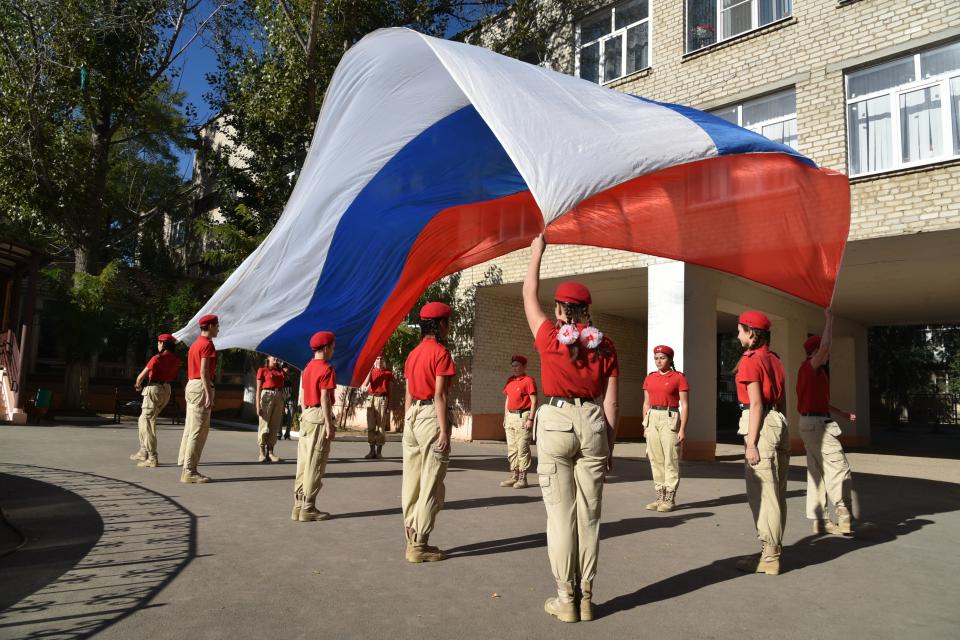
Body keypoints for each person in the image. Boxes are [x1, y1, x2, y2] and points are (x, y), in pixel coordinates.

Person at [523, 234, 619, 623]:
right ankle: (587, 598)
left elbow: (528, 294)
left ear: (561, 311)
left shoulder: (549, 337)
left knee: (561, 516)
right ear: (587, 312)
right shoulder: (606, 346)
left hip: (557, 422)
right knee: (590, 516)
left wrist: (537, 253)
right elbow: (611, 403)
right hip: (593, 424)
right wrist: (609, 445)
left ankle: (566, 599)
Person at [733, 310, 788, 576]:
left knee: (763, 493)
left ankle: (769, 555)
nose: (737, 335)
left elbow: (755, 404)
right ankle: (772, 549)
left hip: (760, 423)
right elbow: (782, 400)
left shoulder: (750, 360)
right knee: (776, 492)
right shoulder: (774, 359)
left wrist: (752, 443)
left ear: (751, 333)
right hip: (777, 421)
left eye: (740, 331)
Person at [402, 301, 456, 563]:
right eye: (448, 323)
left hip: (412, 416)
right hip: (429, 417)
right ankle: (419, 544)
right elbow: (440, 395)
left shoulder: (413, 354)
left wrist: (407, 420)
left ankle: (410, 534)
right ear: (440, 325)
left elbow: (408, 392)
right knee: (431, 482)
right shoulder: (441, 354)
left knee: (411, 481)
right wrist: (444, 430)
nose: (449, 327)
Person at [797, 307, 857, 535]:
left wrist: (842, 413)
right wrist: (829, 320)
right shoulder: (810, 368)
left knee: (817, 472)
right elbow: (824, 347)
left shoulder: (818, 374)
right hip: (817, 426)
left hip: (811, 423)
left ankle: (820, 520)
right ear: (814, 352)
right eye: (824, 350)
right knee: (838, 467)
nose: (828, 353)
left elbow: (820, 402)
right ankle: (844, 514)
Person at [292, 331, 337, 522]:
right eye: (332, 347)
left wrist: (304, 413)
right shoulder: (327, 369)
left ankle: (298, 506)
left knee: (303, 462)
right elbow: (325, 398)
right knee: (315, 463)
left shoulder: (308, 367)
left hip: (307, 415)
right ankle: (308, 508)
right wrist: (329, 424)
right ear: (325, 348)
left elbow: (303, 395)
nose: (333, 350)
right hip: (319, 416)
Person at [641, 345, 689, 512]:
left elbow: (685, 405)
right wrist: (645, 425)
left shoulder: (678, 378)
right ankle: (659, 498)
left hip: (670, 417)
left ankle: (669, 499)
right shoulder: (650, 378)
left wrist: (682, 429)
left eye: (662, 358)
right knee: (656, 460)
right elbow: (646, 403)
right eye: (656, 358)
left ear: (670, 359)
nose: (658, 361)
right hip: (652, 417)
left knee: (670, 459)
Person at [130, 333, 181, 468]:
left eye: (159, 342)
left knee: (147, 422)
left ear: (163, 344)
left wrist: (138, 386)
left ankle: (152, 457)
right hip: (166, 390)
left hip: (154, 389)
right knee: (143, 419)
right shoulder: (177, 360)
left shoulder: (157, 358)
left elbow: (141, 376)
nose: (158, 345)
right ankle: (143, 451)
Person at [178, 314, 218, 484]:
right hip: (201, 386)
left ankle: (184, 463)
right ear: (210, 326)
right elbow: (204, 371)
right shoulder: (207, 344)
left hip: (192, 385)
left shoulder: (195, 344)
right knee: (199, 431)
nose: (218, 329)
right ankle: (189, 471)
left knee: (190, 428)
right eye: (217, 325)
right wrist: (208, 394)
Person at [499, 355, 537, 489]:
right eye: (513, 366)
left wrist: (531, 419)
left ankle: (523, 478)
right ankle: (514, 476)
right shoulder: (510, 380)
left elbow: (534, 401)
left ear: (524, 367)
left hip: (523, 417)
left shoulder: (528, 381)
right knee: (512, 449)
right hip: (510, 417)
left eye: (517, 365)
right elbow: (508, 399)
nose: (514, 368)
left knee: (522, 449)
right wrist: (505, 416)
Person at [360, 353, 394, 459]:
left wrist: (389, 406)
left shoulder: (388, 373)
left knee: (380, 427)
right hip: (371, 399)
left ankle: (379, 452)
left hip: (382, 399)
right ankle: (372, 451)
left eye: (381, 359)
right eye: (377, 359)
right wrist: (370, 370)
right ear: (375, 361)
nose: (379, 361)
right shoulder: (372, 371)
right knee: (371, 426)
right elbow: (365, 384)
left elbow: (390, 390)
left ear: (384, 361)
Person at [255, 355, 286, 462]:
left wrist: (283, 404)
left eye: (278, 358)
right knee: (264, 425)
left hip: (279, 396)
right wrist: (257, 406)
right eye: (274, 358)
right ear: (268, 358)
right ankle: (262, 452)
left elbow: (283, 387)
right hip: (267, 396)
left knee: (274, 426)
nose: (276, 360)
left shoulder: (280, 371)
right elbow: (258, 389)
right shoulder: (262, 370)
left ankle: (271, 452)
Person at [281, 363, 295, 440]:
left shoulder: (291, 376)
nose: (287, 370)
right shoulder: (280, 375)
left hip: (290, 398)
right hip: (282, 398)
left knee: (290, 416)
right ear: (283, 368)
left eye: (288, 368)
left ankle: (287, 434)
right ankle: (279, 432)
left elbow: (293, 388)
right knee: (280, 416)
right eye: (285, 368)